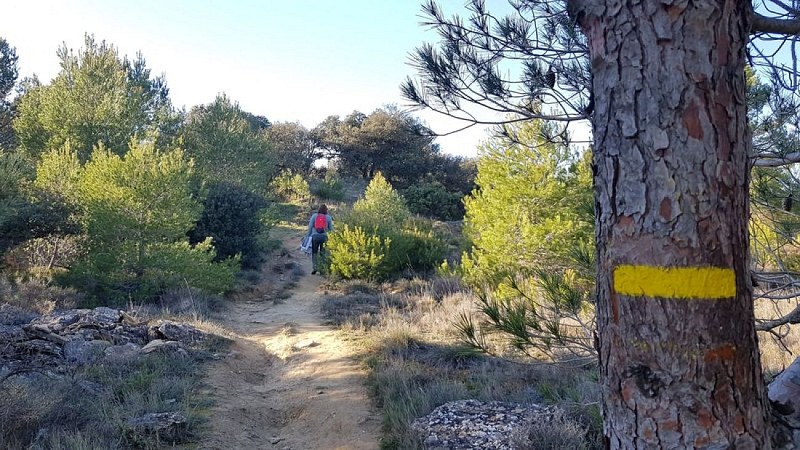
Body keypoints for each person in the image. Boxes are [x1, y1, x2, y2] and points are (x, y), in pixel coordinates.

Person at [306, 204, 333, 274]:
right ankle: (322, 268)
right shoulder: (328, 217)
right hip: (324, 237)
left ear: (319, 209)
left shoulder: (314, 216)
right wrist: (332, 238)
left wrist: (307, 236)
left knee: (314, 252)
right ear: (326, 210)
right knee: (322, 253)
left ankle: (315, 267)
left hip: (315, 236)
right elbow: (331, 229)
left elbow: (310, 227)